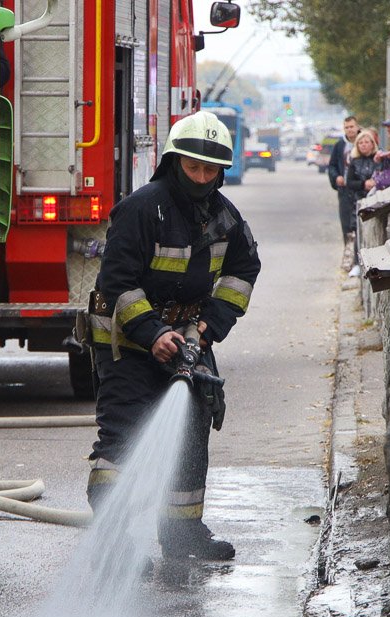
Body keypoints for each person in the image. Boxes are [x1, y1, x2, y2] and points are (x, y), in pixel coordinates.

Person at [86, 110, 261, 561]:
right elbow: (117, 281)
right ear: (173, 161)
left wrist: (206, 328)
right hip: (125, 343)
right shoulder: (143, 208)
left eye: (210, 170)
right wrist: (153, 333)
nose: (201, 177)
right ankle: (112, 536)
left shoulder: (224, 217)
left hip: (187, 338)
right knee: (122, 436)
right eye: (193, 167)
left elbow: (245, 269)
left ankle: (182, 536)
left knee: (192, 428)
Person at [328, 116, 359, 244]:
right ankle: (349, 252)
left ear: (357, 127)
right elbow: (332, 166)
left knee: (360, 222)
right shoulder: (339, 146)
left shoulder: (365, 141)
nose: (349, 130)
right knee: (346, 224)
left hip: (361, 189)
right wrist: (336, 177)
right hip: (345, 190)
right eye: (347, 127)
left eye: (352, 126)